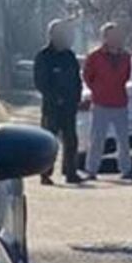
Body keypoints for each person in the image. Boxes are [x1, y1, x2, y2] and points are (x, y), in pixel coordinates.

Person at [32, 19, 84, 185]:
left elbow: (77, 80)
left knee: (71, 141)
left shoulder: (69, 56)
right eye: (60, 33)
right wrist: (55, 97)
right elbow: (40, 82)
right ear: (52, 35)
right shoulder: (43, 56)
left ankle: (71, 172)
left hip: (69, 107)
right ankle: (45, 174)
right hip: (52, 108)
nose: (64, 36)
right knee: (48, 141)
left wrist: (76, 97)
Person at [82, 22, 132, 181]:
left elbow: (127, 76)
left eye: (117, 35)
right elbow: (87, 76)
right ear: (104, 37)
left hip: (120, 102)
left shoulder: (126, 57)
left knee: (123, 139)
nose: (115, 38)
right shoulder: (94, 56)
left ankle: (126, 170)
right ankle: (92, 170)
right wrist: (97, 89)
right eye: (111, 35)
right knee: (97, 139)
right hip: (101, 103)